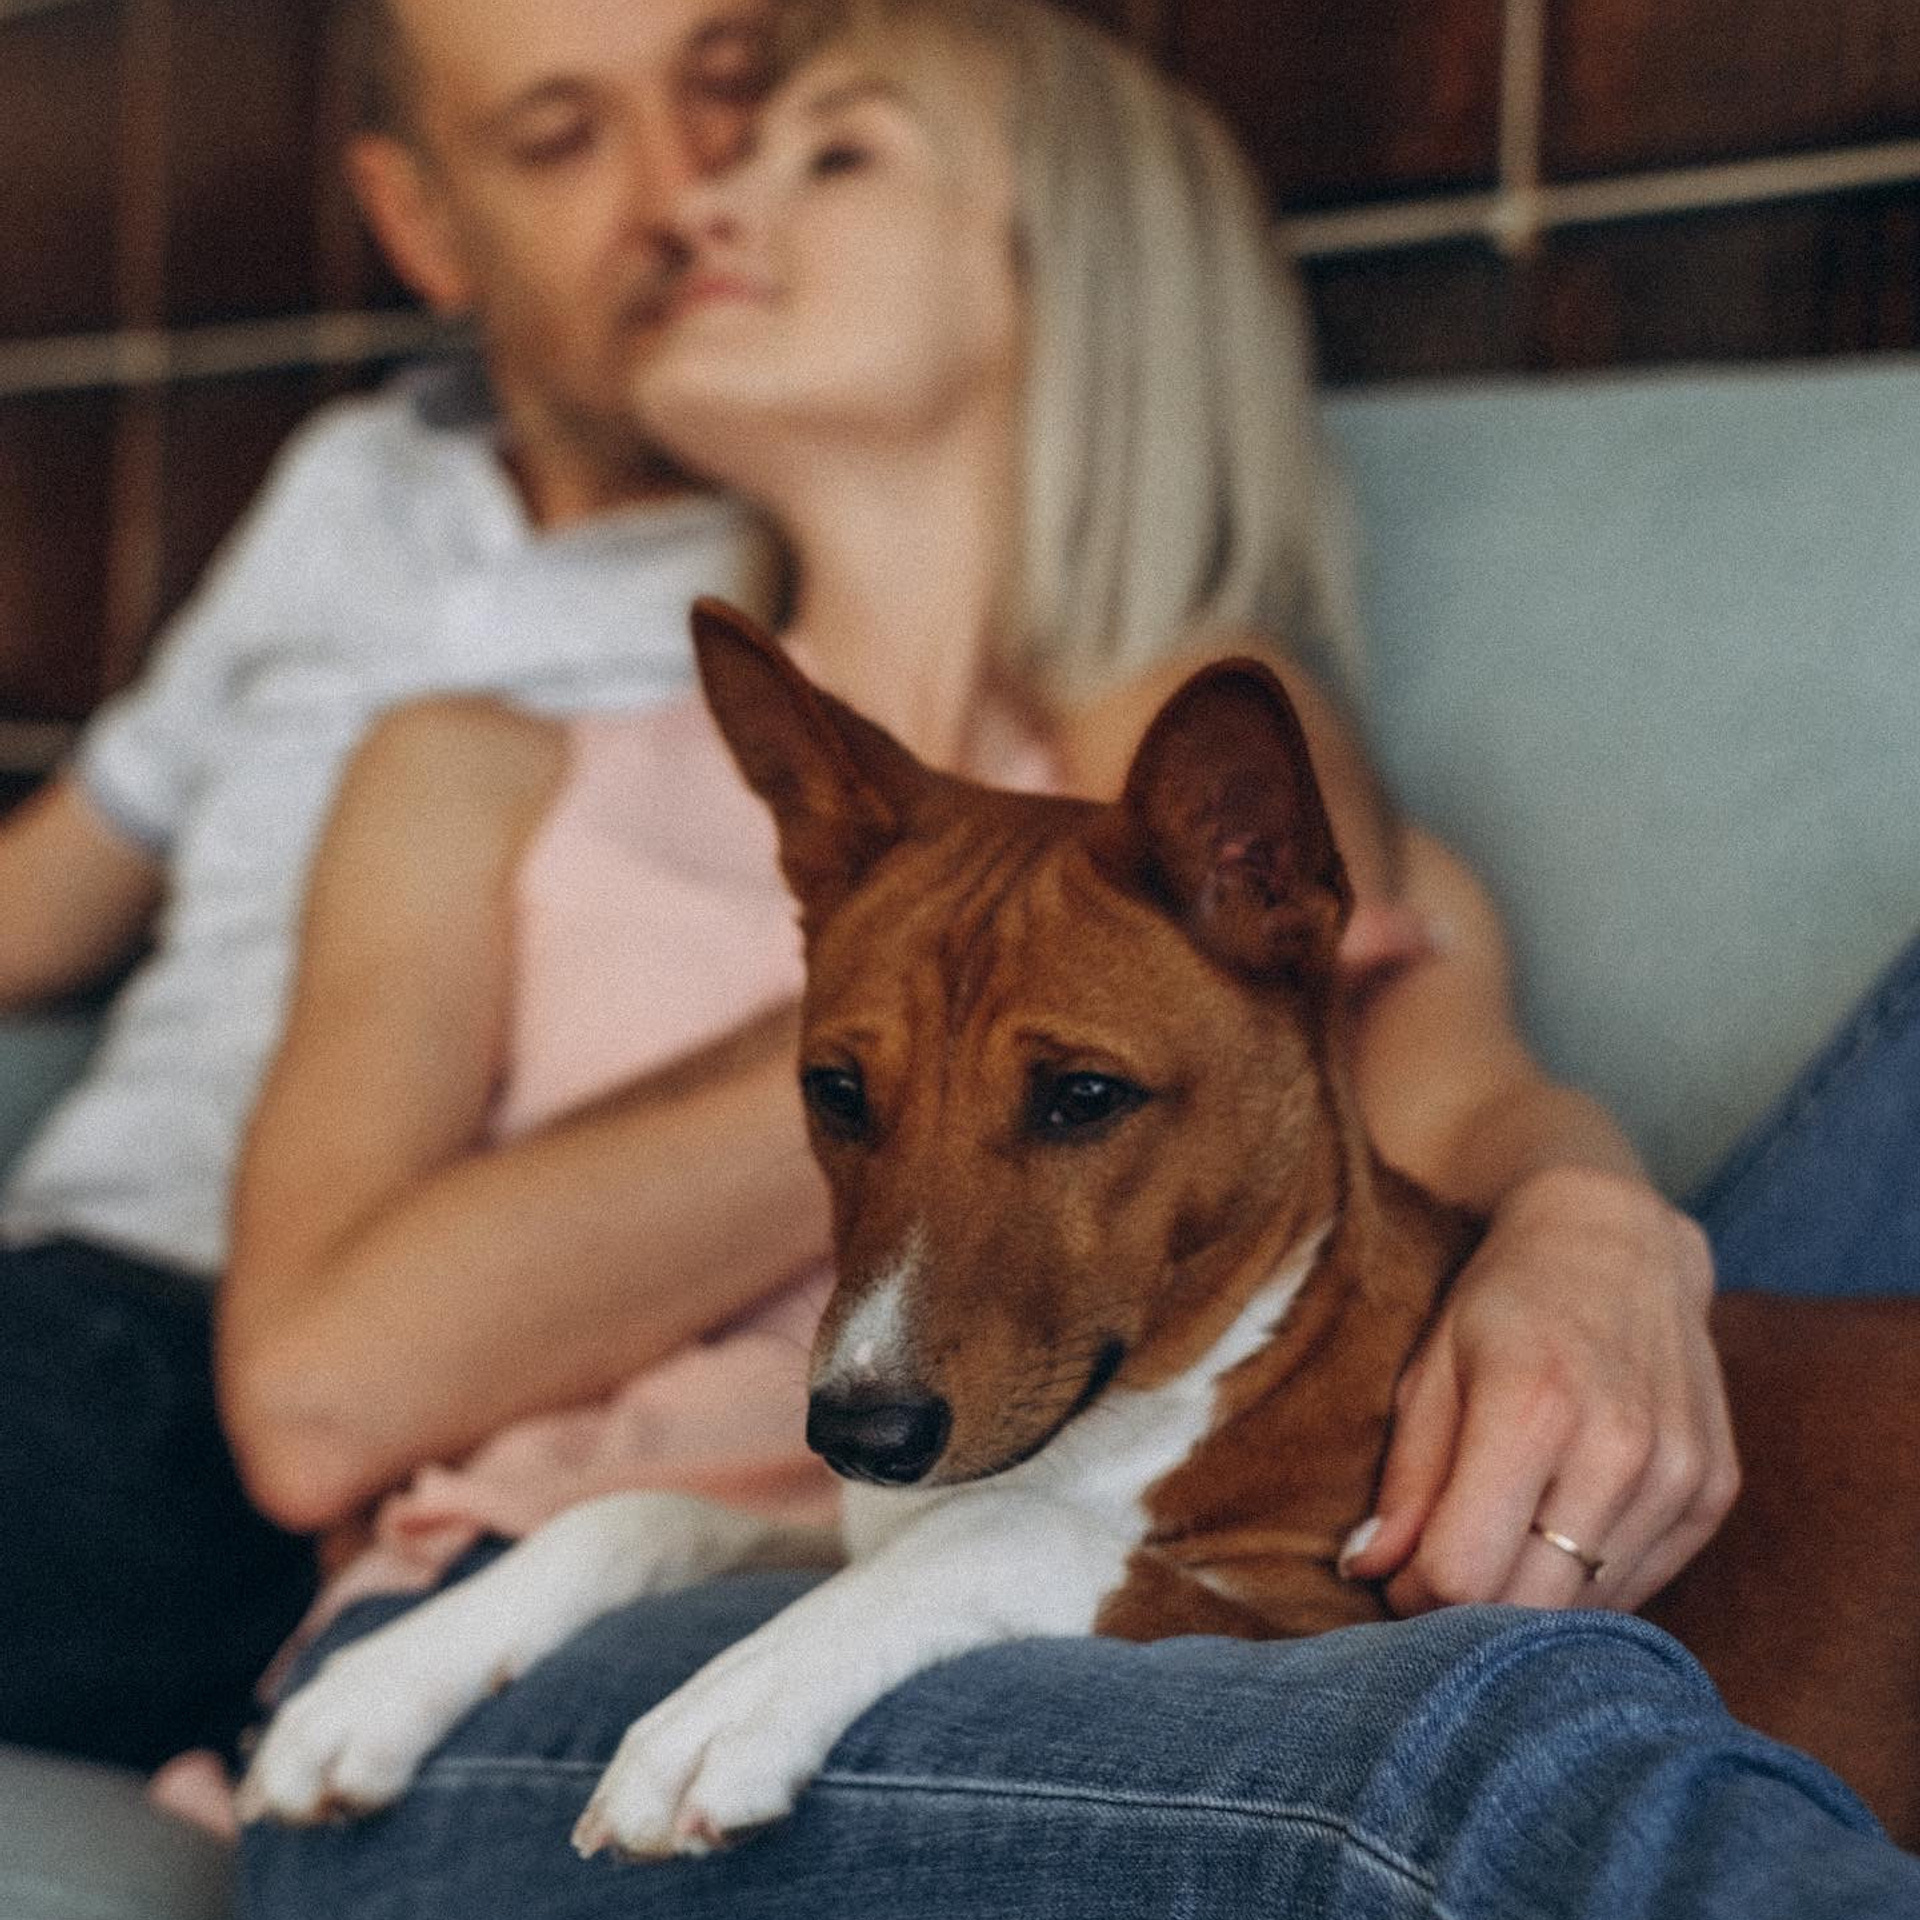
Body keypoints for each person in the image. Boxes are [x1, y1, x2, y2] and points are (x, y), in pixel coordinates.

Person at [230, 1, 1920, 1914]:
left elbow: (1453, 1169)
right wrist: (924, 951)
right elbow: (314, 1402)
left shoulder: (1241, 842)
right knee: (1472, 1760)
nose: (702, 198)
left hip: (1123, 1590)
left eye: (831, 154)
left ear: (1079, 265)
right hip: (536, 1664)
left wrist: (1612, 1234)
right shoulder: (478, 772)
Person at [0, 0, 796, 1772]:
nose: (683, 195)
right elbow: (55, 887)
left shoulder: (833, 562)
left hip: (267, 1373)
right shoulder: (354, 485)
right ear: (424, 223)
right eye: (559, 139)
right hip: (57, 1295)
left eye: (730, 95)